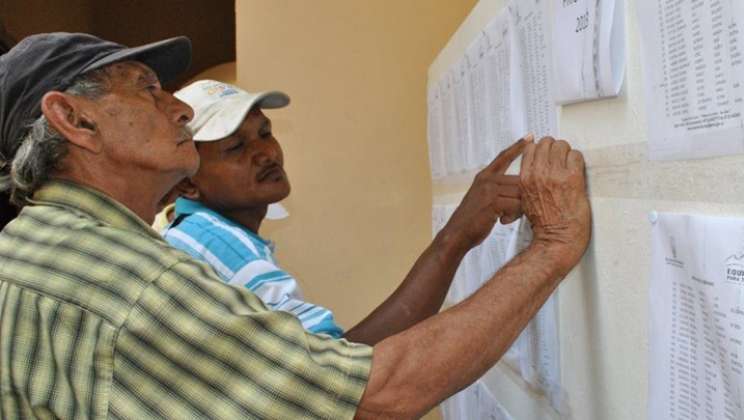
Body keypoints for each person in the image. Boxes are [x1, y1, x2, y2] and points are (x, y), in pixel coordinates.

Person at [0, 32, 591, 419]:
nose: (176, 108)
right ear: (73, 119)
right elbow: (371, 393)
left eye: (262, 134)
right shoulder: (135, 278)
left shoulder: (34, 244)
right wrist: (553, 247)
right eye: (148, 90)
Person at [160, 80, 346, 338]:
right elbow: (331, 362)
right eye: (236, 146)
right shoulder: (216, 242)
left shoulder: (194, 232)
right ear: (187, 183)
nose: (266, 153)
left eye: (265, 132)